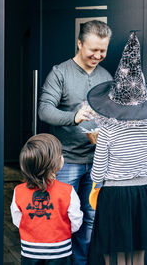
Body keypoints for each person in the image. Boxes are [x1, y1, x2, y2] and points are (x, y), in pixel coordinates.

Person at [86, 32, 147, 265]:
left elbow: (98, 172)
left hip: (115, 194)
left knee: (118, 252)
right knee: (139, 250)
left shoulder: (108, 129)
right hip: (143, 192)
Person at [38, 20, 112, 265]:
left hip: (97, 161)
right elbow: (45, 111)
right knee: (60, 218)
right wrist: (73, 117)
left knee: (90, 217)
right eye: (93, 49)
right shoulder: (60, 73)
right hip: (65, 161)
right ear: (80, 43)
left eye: (103, 50)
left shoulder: (106, 76)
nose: (98, 55)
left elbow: (111, 114)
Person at [10, 134, 83, 265]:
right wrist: (61, 231)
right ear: (55, 163)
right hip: (60, 250)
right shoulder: (68, 191)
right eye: (60, 154)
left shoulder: (18, 191)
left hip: (30, 250)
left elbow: (18, 220)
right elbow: (76, 221)